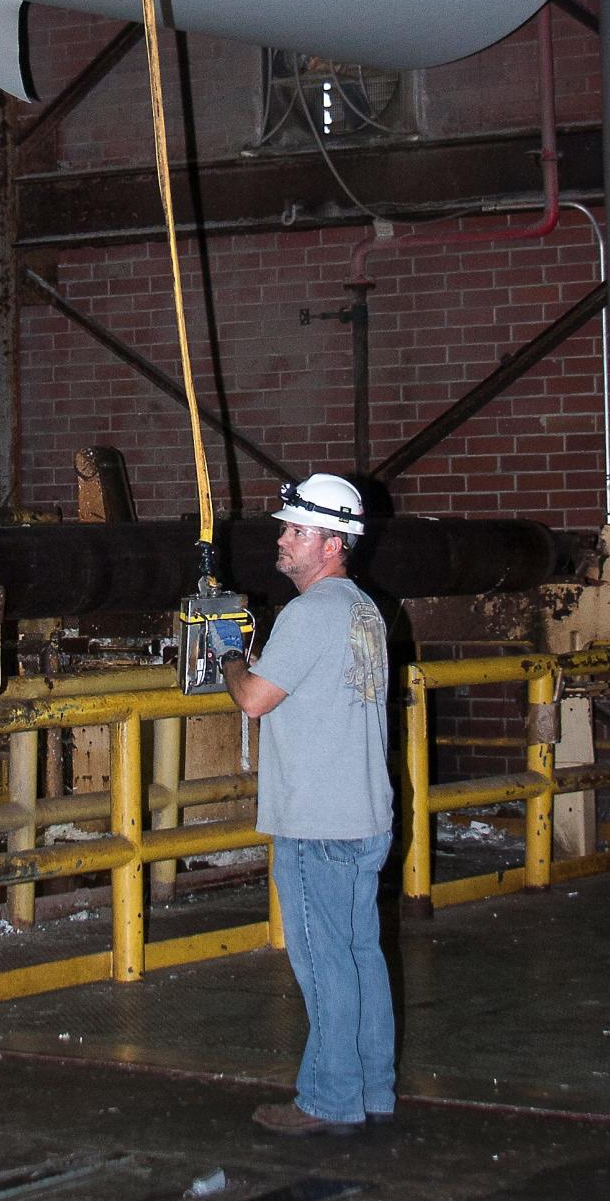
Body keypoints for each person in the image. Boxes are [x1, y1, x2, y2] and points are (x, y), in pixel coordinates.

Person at [210, 472, 395, 1138]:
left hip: (317, 820)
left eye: (294, 530)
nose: (282, 540)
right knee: (360, 956)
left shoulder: (310, 612)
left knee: (324, 964)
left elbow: (254, 699)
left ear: (329, 542)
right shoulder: (361, 608)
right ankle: (373, 1087)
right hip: (364, 815)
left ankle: (326, 1098)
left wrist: (230, 654)